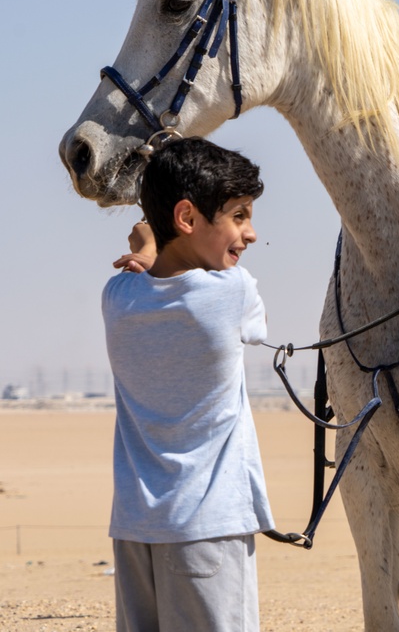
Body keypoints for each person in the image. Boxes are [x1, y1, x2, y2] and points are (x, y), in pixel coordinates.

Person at [103, 137, 275, 632]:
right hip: (209, 529)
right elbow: (258, 326)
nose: (251, 233)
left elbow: (151, 274)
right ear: (187, 217)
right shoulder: (230, 292)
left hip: (135, 530)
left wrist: (148, 249)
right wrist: (155, 248)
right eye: (239, 215)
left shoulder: (116, 296)